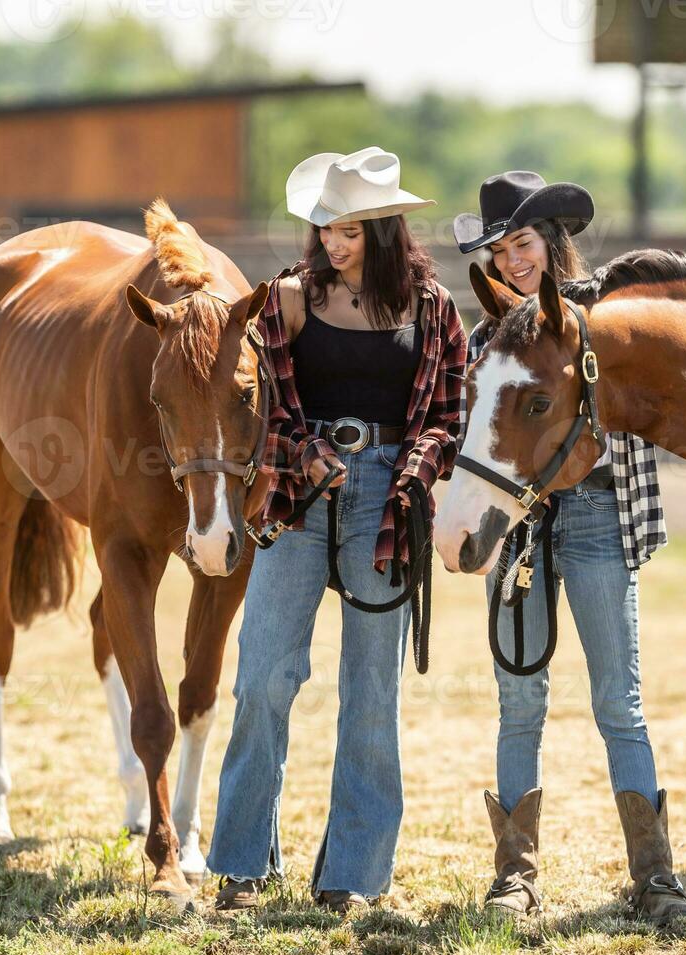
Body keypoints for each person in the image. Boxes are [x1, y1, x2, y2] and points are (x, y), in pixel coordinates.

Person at [206, 147, 468, 915]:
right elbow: (261, 407)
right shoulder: (288, 299)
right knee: (262, 677)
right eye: (325, 229)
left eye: (349, 231)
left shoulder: (432, 307)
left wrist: (418, 467)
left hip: (388, 499)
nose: (331, 244)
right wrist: (304, 451)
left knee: (370, 692)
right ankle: (244, 863)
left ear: (384, 230)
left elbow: (448, 416)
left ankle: (351, 872)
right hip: (296, 496)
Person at [453, 171, 686, 924]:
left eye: (521, 243)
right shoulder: (487, 333)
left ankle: (655, 876)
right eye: (499, 251)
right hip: (518, 524)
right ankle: (515, 876)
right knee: (519, 699)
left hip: (595, 515)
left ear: (552, 239)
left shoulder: (608, 322)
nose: (511, 262)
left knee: (618, 701)